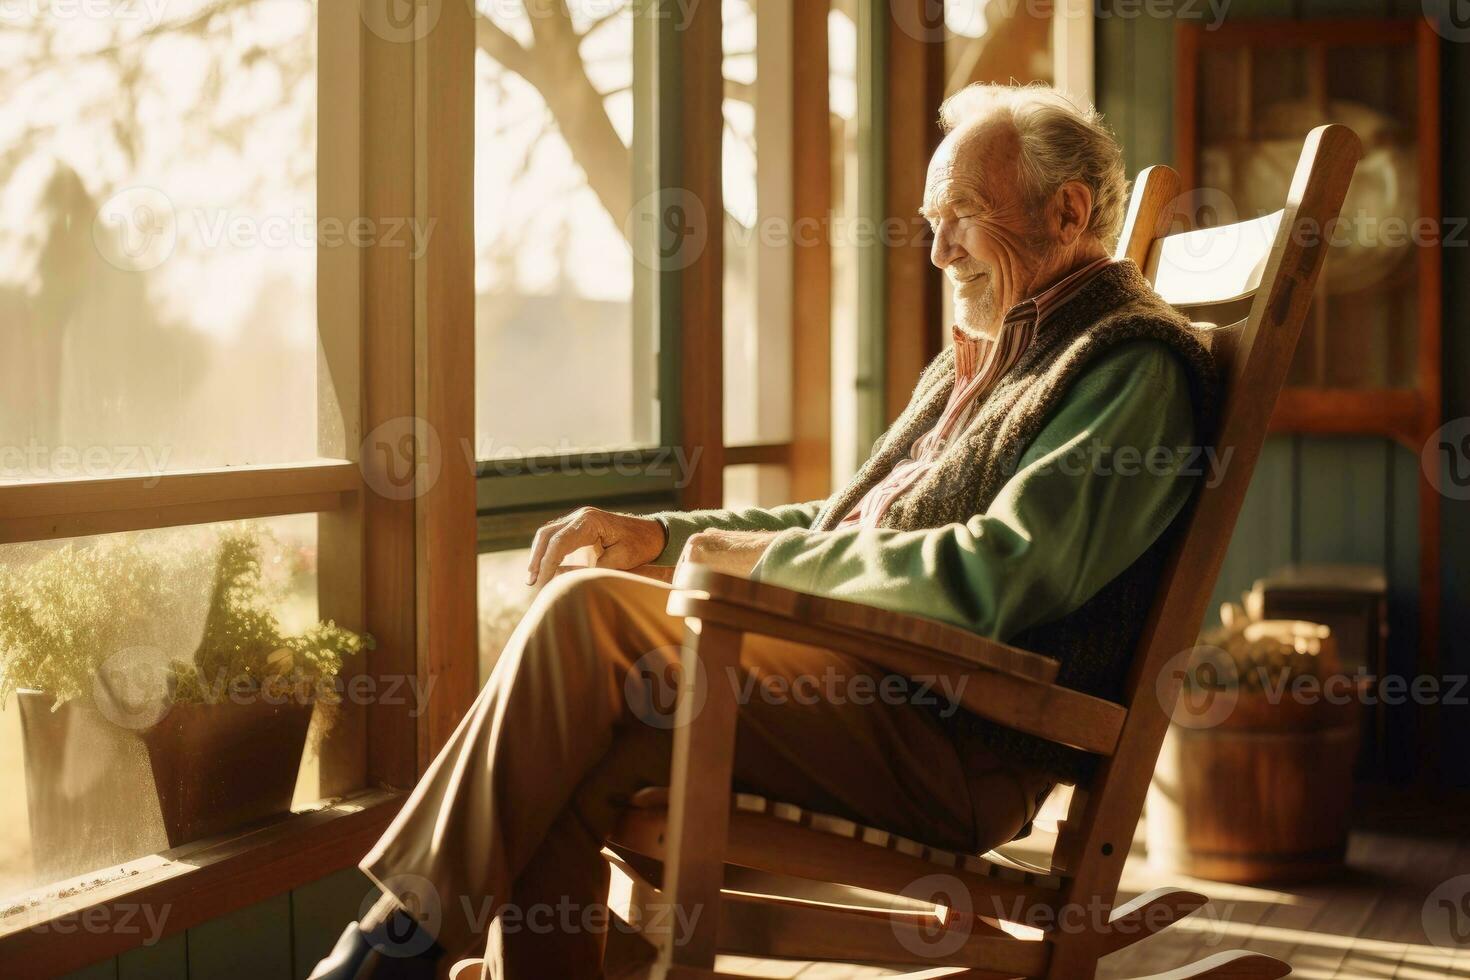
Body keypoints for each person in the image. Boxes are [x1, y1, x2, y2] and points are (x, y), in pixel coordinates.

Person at [311, 82, 1216, 980]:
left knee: (586, 618)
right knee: (575, 753)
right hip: (871, 693)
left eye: (962, 216)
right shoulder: (991, 350)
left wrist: (763, 565)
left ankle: (377, 962)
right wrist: (661, 539)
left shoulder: (1130, 365)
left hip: (958, 739)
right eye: (929, 219)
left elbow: (998, 575)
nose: (937, 250)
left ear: (1066, 212)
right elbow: (846, 523)